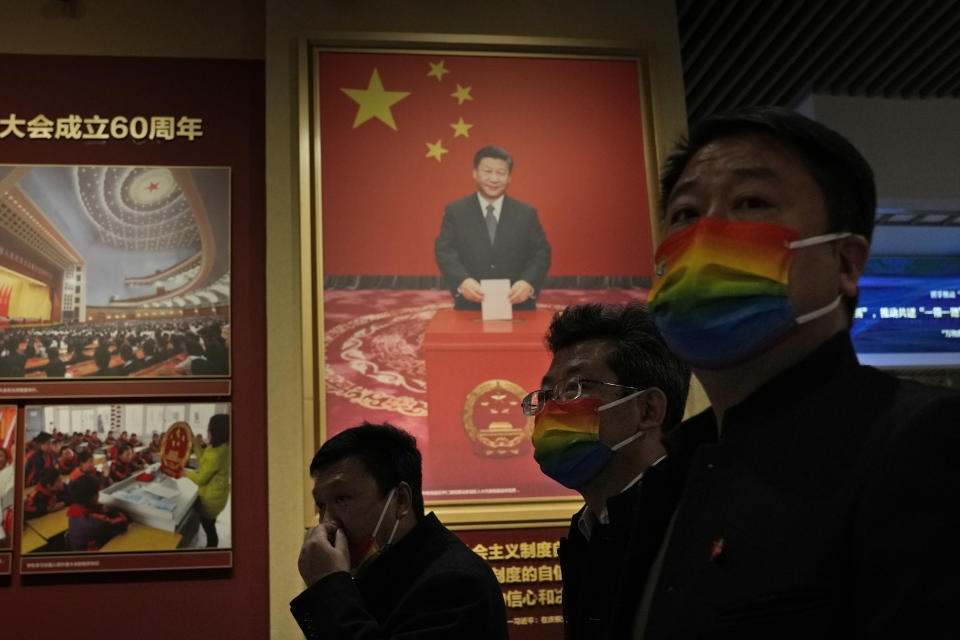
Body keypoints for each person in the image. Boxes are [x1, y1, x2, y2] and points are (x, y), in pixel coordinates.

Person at [637, 106, 960, 638]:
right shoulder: (671, 471)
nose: (707, 234)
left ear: (846, 263)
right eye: (686, 214)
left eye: (751, 203)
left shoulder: (920, 442)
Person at [525, 303, 689, 640]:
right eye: (547, 394)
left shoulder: (693, 522)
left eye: (576, 388)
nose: (553, 408)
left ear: (648, 409)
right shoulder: (588, 526)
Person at [292, 422, 508, 640]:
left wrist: (329, 586)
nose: (327, 521)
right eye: (321, 505)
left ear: (401, 500)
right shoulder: (376, 571)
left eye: (342, 499)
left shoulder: (454, 581)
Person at [435, 145, 551, 310]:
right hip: (469, 305)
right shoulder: (456, 211)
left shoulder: (526, 213)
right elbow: (445, 251)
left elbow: (541, 253)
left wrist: (528, 283)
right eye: (487, 171)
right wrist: (462, 281)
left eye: (501, 173)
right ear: (475, 173)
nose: (494, 179)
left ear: (509, 177)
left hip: (518, 305)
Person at [185, 414, 231, 548]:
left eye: (209, 430)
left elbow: (201, 479)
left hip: (211, 499)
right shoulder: (221, 447)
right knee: (209, 523)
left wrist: (185, 472)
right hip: (218, 495)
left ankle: (212, 547)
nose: (207, 432)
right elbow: (204, 460)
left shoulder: (215, 454)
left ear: (214, 433)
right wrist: (196, 446)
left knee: (208, 525)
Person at [65, 475, 128, 551]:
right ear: (95, 496)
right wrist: (112, 511)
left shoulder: (74, 510)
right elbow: (122, 524)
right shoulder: (95, 523)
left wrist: (100, 508)